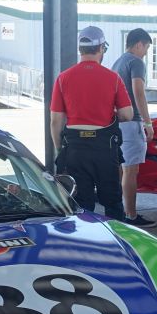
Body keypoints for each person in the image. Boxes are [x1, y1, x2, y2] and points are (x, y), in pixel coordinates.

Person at [50, 26, 134, 220]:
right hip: (104, 149)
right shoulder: (113, 78)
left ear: (80, 49)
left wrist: (60, 149)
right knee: (112, 202)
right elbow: (127, 114)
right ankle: (115, 245)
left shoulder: (63, 78)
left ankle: (85, 245)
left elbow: (56, 121)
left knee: (81, 206)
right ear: (101, 48)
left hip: (75, 150)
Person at [111, 28, 157, 227]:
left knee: (122, 168)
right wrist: (148, 122)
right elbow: (138, 91)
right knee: (131, 170)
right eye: (146, 47)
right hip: (132, 122)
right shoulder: (136, 62)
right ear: (139, 44)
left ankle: (120, 210)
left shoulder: (118, 62)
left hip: (117, 121)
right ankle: (130, 215)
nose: (146, 51)